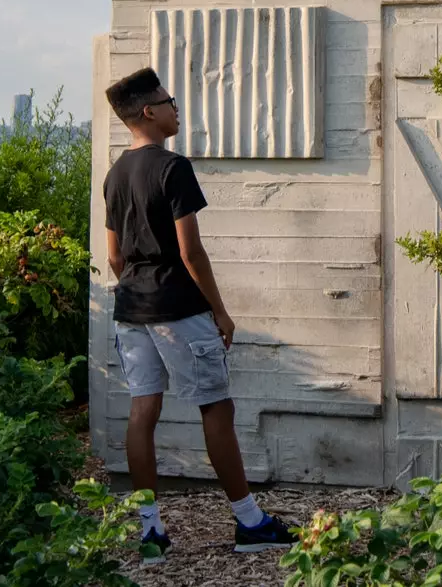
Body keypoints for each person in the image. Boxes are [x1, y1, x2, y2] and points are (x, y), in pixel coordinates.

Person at [102, 68, 296, 565]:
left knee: (143, 412)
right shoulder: (172, 167)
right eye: (169, 101)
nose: (176, 108)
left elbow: (115, 258)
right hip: (177, 308)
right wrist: (220, 311)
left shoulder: (115, 174)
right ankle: (251, 522)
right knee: (216, 408)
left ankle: (151, 533)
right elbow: (192, 253)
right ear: (149, 111)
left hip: (131, 309)